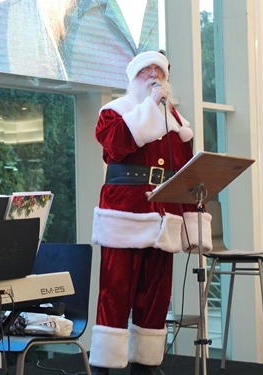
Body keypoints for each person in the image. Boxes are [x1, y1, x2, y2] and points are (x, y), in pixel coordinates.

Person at [89, 51, 212, 374]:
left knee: (156, 293)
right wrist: (148, 109)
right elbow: (114, 147)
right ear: (134, 76)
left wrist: (191, 222)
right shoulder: (115, 112)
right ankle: (106, 363)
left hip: (164, 211)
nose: (154, 75)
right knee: (116, 290)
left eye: (160, 69)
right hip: (125, 211)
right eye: (147, 69)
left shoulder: (177, 122)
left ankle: (146, 361)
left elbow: (184, 172)